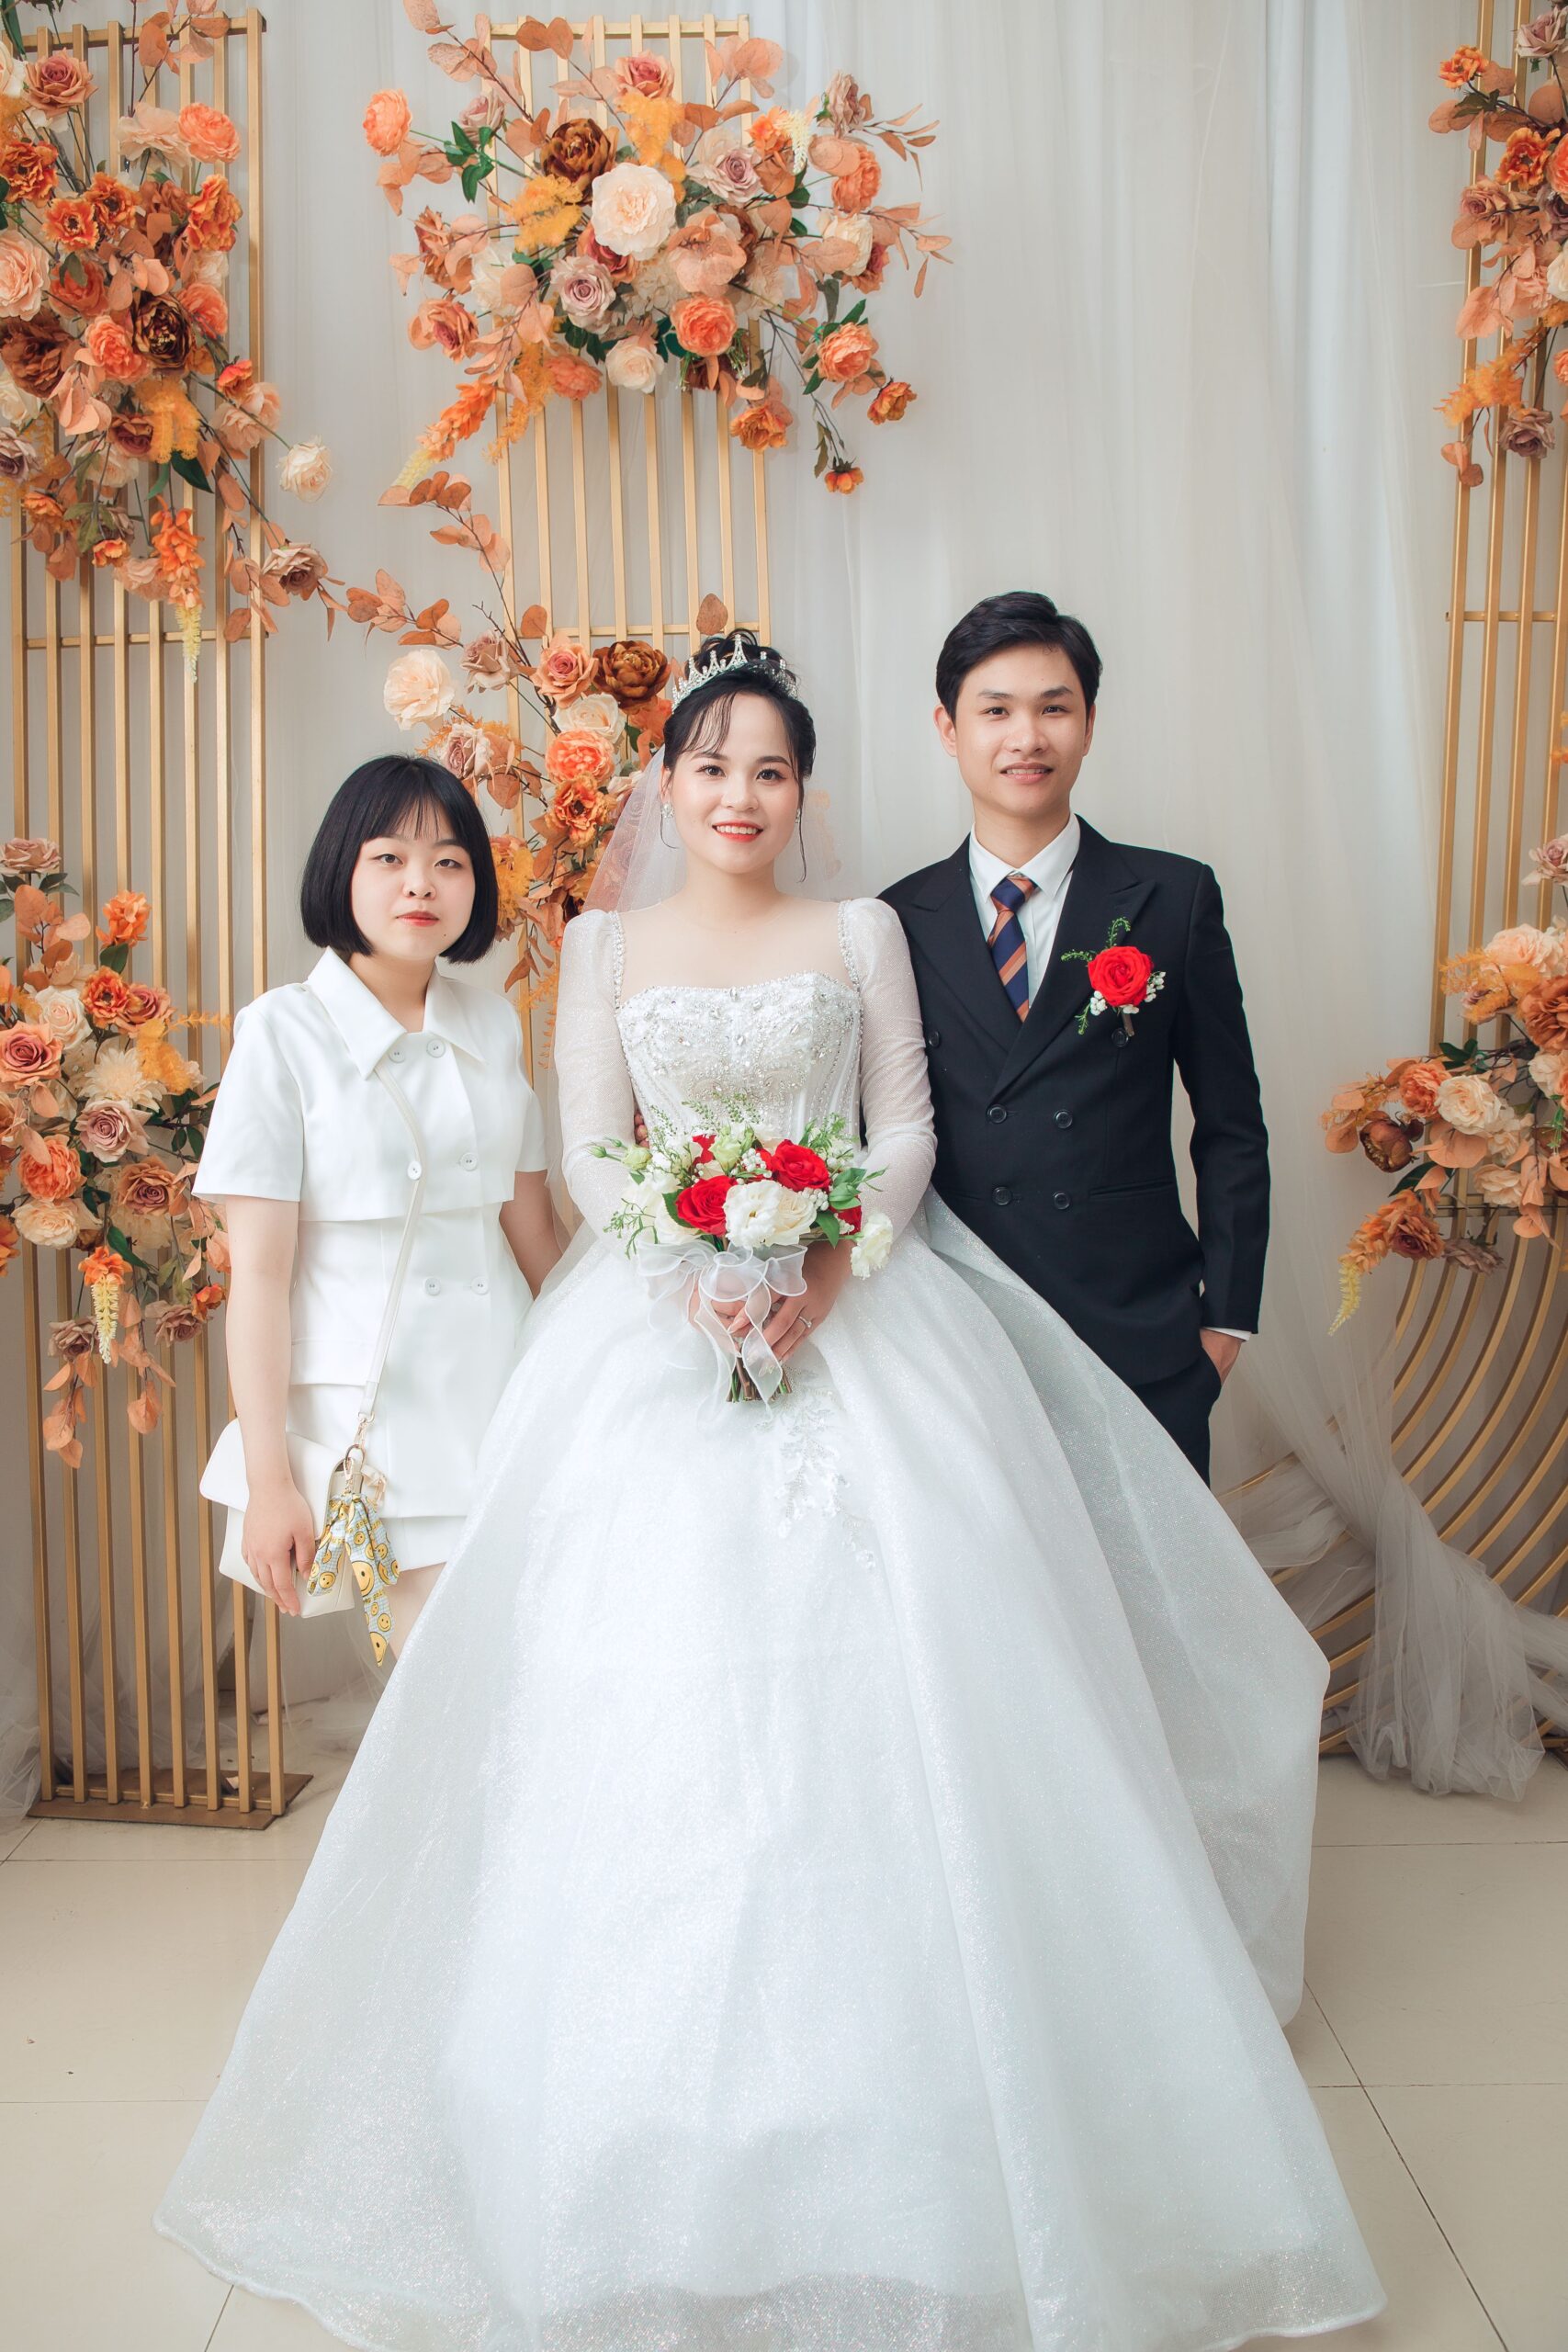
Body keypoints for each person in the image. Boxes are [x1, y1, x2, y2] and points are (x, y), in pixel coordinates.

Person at [156, 639, 1382, 2352]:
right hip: (654, 1333)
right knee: (639, 1691)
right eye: (710, 767)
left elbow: (904, 1129)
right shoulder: (596, 948)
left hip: (859, 1317)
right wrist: (687, 1267)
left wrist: (816, 1255)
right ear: (665, 787)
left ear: (805, 791)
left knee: (934, 1666)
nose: (739, 796)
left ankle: (938, 2095)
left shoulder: (860, 930)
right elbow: (592, 1153)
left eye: (771, 771)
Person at [884, 590, 1269, 1483]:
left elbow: (1231, 1124)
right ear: (948, 729)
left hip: (1138, 1328)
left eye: (1053, 708)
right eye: (996, 711)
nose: (1027, 737)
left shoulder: (1172, 898)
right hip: (962, 1331)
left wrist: (1226, 1320)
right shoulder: (895, 918)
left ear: (1089, 724)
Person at [193, 753, 559, 1658]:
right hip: (378, 1426)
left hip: (509, 1396)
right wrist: (269, 1480)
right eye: (389, 857)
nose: (420, 884)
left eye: (449, 861)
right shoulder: (281, 1032)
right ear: (341, 871)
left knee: (535, 1671)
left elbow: (536, 1238)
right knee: (449, 1684)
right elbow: (259, 1279)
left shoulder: (491, 1024)